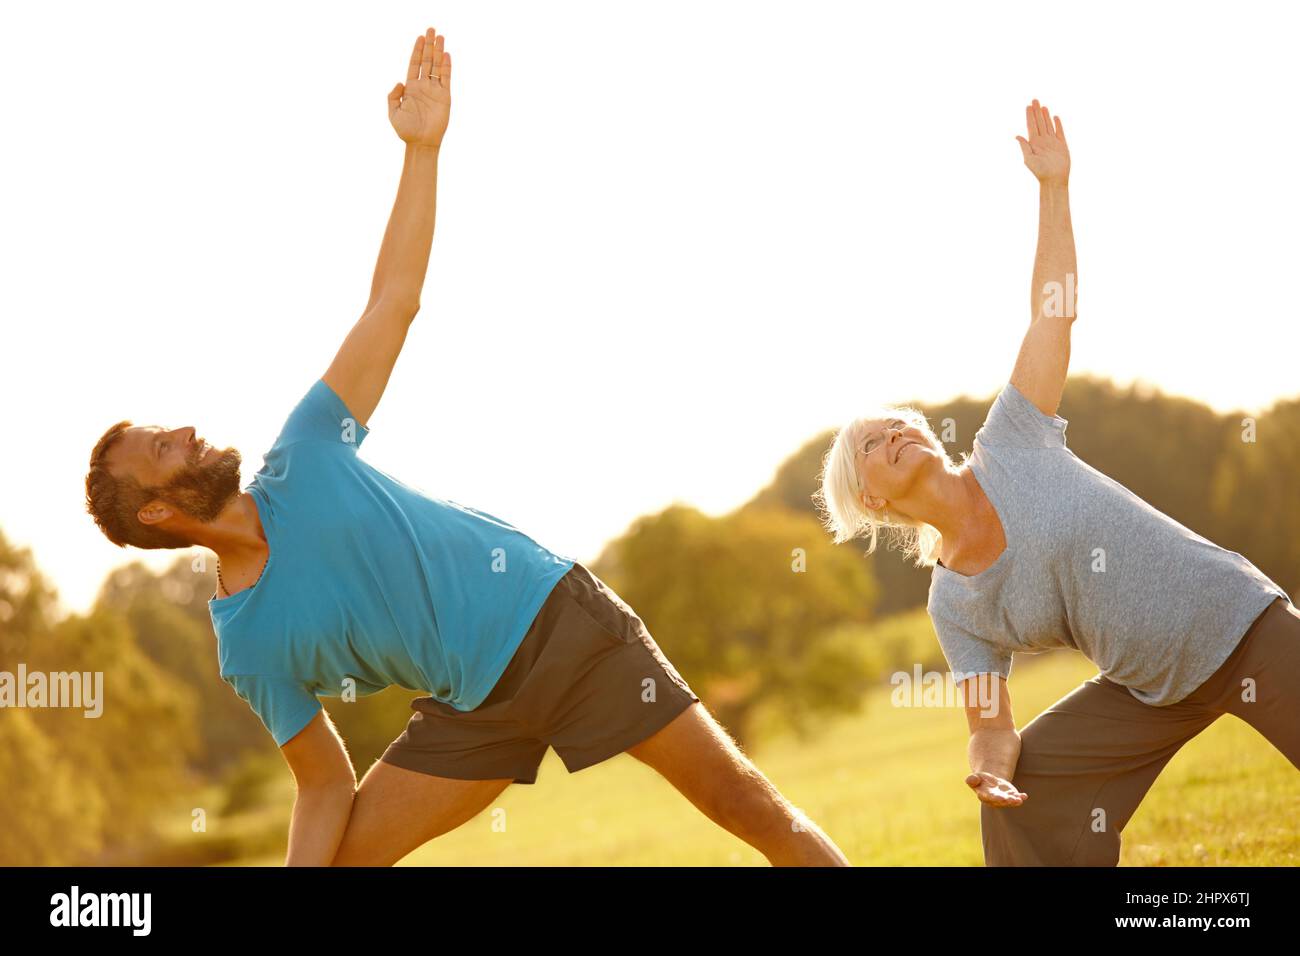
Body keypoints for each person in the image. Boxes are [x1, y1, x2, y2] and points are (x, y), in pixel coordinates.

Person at [84, 28, 849, 868]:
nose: (186, 432)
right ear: (156, 510)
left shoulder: (304, 451)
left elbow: (393, 302)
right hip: (470, 709)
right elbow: (322, 784)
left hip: (555, 624)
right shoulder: (250, 643)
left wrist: (422, 150)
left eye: (168, 428)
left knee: (751, 810)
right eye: (163, 447)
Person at [816, 99, 1298, 866]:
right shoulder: (956, 604)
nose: (896, 433)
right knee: (1024, 801)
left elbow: (1054, 316)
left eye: (900, 423)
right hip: (1147, 692)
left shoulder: (1012, 442)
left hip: (1237, 624)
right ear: (870, 499)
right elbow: (990, 725)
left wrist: (1054, 187)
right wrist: (988, 773)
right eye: (873, 442)